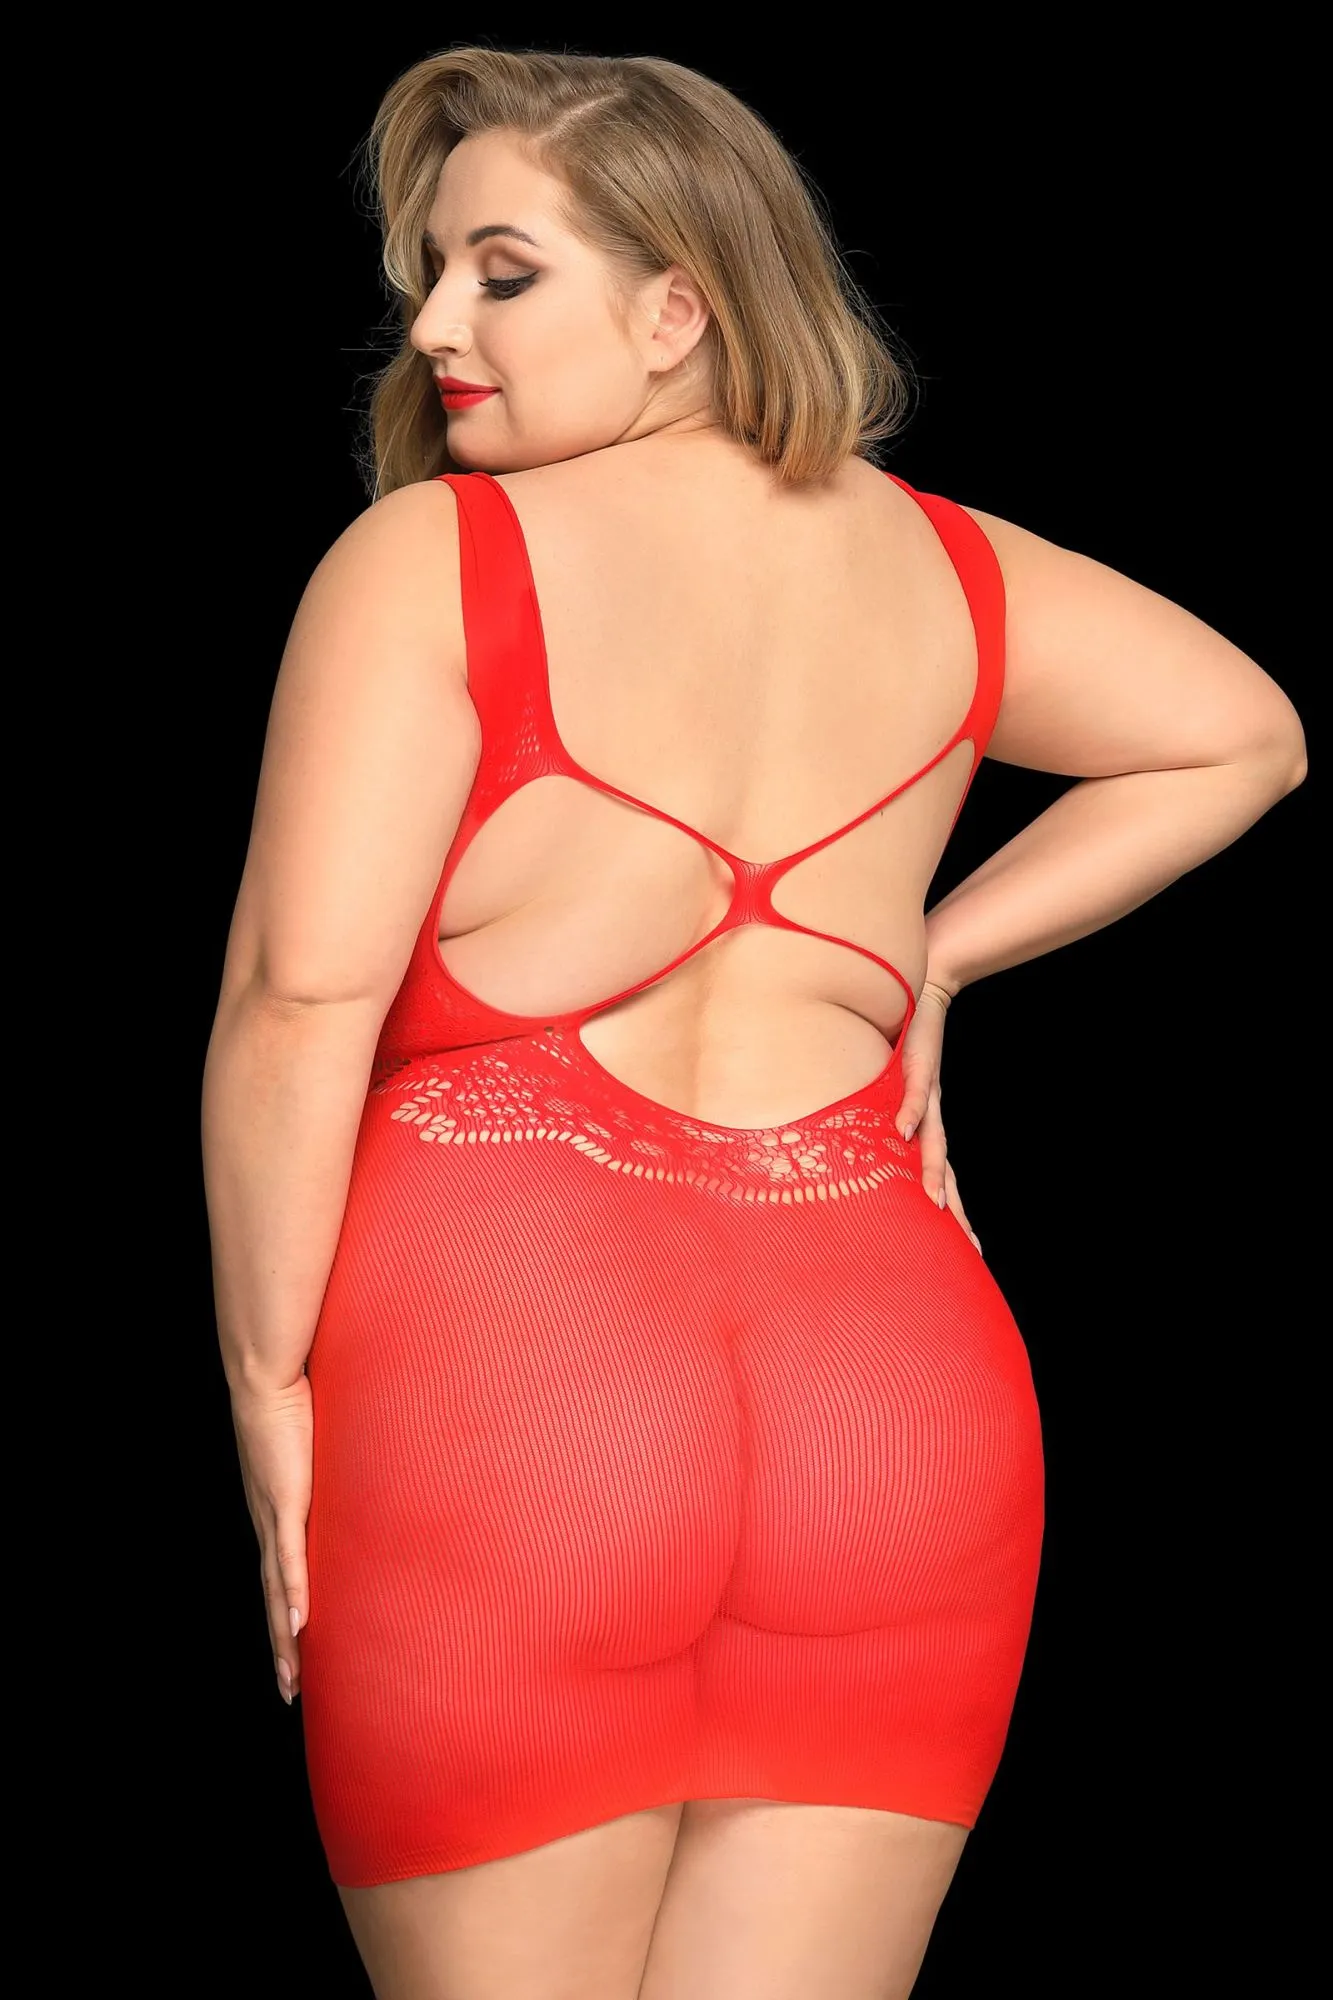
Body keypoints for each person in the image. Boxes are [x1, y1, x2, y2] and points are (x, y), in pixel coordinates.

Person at [200, 44, 1306, 2000]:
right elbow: (1245, 733)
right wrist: (933, 956)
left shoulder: (432, 560)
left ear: (678, 309)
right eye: (434, 275)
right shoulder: (948, 565)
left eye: (501, 272)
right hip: (898, 1408)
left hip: (518, 1394)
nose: (437, 325)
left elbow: (301, 1002)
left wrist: (267, 1387)